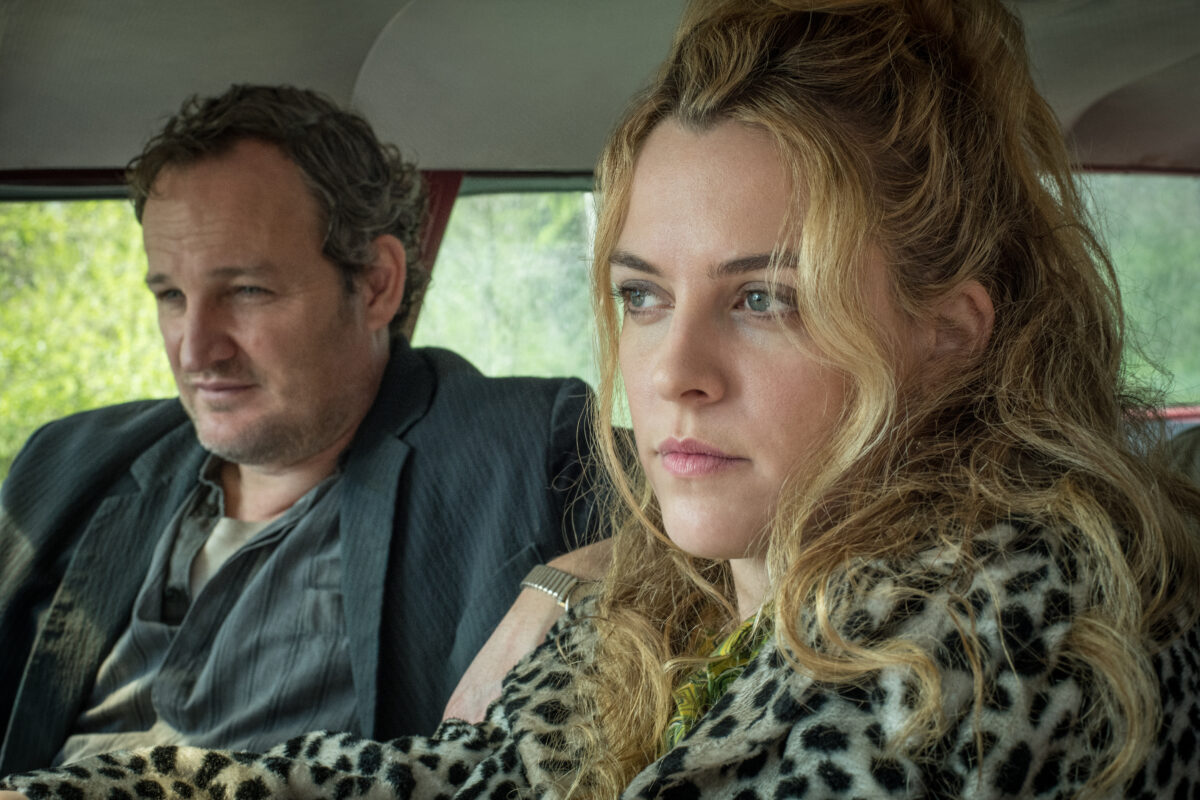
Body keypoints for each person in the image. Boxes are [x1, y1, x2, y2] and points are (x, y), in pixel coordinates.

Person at [6, 0, 1200, 797]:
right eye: (641, 294)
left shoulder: (993, 637)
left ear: (948, 333)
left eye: (764, 298)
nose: (670, 372)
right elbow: (474, 779)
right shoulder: (687, 594)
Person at [0, 84, 600, 774]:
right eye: (171, 295)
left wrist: (573, 578)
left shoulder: (524, 444)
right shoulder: (67, 460)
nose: (195, 351)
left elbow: (702, 542)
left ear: (375, 284)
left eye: (246, 291)